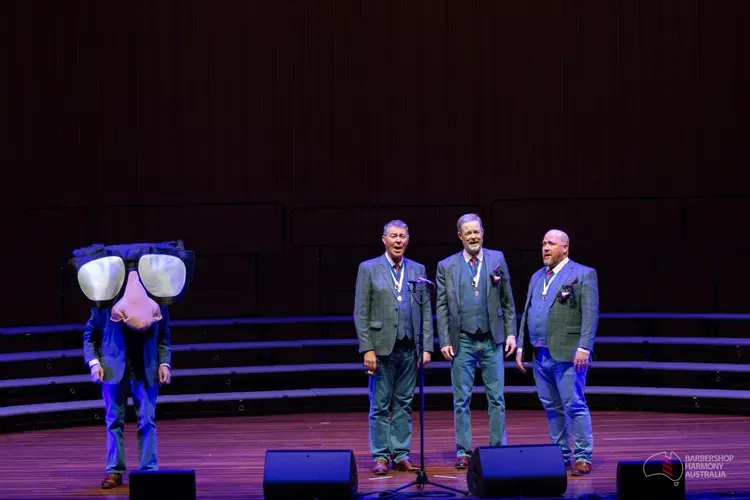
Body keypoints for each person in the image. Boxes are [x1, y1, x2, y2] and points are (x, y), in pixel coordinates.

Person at [436, 213, 517, 469]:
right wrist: (444, 339)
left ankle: (498, 448)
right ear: (460, 236)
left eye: (476, 231)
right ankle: (463, 450)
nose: (473, 236)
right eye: (468, 232)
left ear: (482, 233)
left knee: (497, 398)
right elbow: (441, 306)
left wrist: (511, 333)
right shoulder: (446, 266)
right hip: (463, 340)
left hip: (492, 340)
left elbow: (507, 299)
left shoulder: (496, 258)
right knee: (461, 400)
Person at [515, 229, 598, 475]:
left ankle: (583, 456)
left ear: (565, 248)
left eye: (551, 243)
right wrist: (521, 345)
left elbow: (590, 314)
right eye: (543, 243)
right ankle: (560, 456)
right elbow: (527, 311)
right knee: (552, 407)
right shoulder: (537, 276)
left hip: (568, 354)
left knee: (574, 404)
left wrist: (584, 347)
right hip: (540, 354)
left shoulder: (583, 274)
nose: (545, 248)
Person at [354, 219, 434, 475]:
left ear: (407, 240)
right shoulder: (369, 268)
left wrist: (426, 346)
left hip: (410, 348)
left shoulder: (417, 269)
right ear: (384, 239)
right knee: (379, 405)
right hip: (381, 349)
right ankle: (380, 456)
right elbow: (361, 312)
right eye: (393, 236)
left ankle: (400, 454)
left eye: (402, 236)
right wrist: (367, 348)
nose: (398, 240)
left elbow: (425, 310)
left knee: (404, 403)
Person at [83, 277, 172, 489]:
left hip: (146, 368)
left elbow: (164, 336)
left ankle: (149, 471)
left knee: (147, 421)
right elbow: (90, 335)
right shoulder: (105, 301)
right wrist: (94, 363)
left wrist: (164, 363)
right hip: (114, 369)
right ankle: (115, 470)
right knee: (114, 421)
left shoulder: (155, 300)